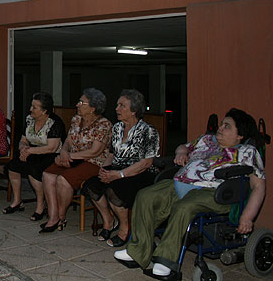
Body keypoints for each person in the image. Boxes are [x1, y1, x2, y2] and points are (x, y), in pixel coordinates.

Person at [114, 108, 266, 278]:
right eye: (222, 124)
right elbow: (184, 147)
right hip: (181, 183)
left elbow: (258, 186)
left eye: (227, 126)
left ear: (240, 135)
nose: (220, 128)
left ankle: (165, 261)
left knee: (183, 207)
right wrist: (181, 152)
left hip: (212, 191)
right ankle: (137, 251)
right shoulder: (206, 140)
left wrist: (247, 217)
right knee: (145, 196)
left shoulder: (247, 152)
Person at [83, 89, 160, 247]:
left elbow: (146, 162)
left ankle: (124, 229)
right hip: (117, 168)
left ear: (134, 111)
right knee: (91, 186)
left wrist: (119, 175)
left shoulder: (148, 131)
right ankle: (108, 221)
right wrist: (104, 169)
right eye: (117, 105)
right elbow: (112, 154)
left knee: (114, 190)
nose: (117, 108)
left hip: (141, 173)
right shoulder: (117, 127)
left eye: (122, 105)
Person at [40, 88, 112, 233]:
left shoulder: (104, 124)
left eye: (81, 102)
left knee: (63, 180)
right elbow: (68, 140)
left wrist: (68, 156)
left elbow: (95, 151)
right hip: (73, 158)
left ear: (93, 108)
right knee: (47, 175)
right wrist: (64, 151)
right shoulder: (76, 119)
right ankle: (53, 216)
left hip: (94, 162)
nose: (77, 104)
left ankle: (61, 217)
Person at [4, 92, 66, 221]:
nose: (30, 109)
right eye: (31, 106)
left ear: (44, 111)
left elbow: (52, 147)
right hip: (32, 152)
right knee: (13, 166)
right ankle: (17, 201)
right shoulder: (30, 119)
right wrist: (23, 149)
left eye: (34, 107)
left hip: (51, 155)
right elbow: (23, 140)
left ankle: (40, 205)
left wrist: (29, 151)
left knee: (33, 169)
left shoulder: (55, 122)